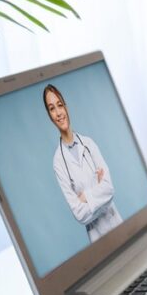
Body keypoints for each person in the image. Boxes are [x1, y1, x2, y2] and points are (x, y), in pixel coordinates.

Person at [46, 84, 122, 242]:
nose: (58, 112)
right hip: (97, 236)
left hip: (117, 224)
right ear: (49, 115)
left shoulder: (89, 144)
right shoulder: (58, 162)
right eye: (52, 108)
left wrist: (84, 196)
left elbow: (109, 188)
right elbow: (79, 215)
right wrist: (100, 195)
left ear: (66, 107)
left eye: (60, 105)